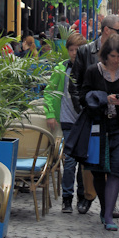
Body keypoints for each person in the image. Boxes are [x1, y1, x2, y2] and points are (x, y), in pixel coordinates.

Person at [69, 13, 119, 214]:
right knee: (88, 158)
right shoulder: (86, 51)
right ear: (107, 30)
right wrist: (82, 108)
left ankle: (108, 203)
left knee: (111, 162)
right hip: (92, 114)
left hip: (114, 118)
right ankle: (85, 196)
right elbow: (74, 82)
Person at [79, 36, 119, 230]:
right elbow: (83, 97)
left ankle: (108, 216)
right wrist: (105, 100)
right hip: (97, 128)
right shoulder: (93, 72)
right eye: (113, 56)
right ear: (105, 55)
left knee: (114, 172)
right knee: (98, 172)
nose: (116, 60)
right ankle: (106, 208)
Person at [43, 32, 88, 212]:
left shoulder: (89, 69)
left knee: (84, 162)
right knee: (69, 162)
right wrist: (50, 113)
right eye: (71, 50)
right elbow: (50, 92)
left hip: (85, 121)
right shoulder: (61, 70)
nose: (74, 53)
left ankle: (83, 197)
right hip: (68, 120)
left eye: (78, 50)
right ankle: (67, 198)